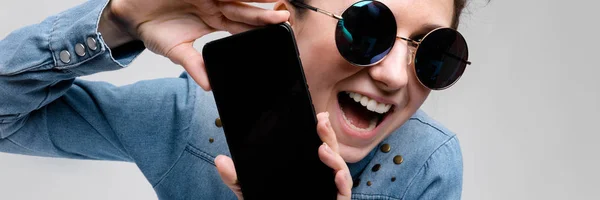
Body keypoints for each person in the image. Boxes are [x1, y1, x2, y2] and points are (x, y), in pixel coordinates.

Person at [0, 0, 469, 199]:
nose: (391, 76)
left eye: (433, 54)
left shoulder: (426, 164)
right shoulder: (190, 118)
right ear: (285, 17)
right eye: (367, 30)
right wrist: (117, 21)